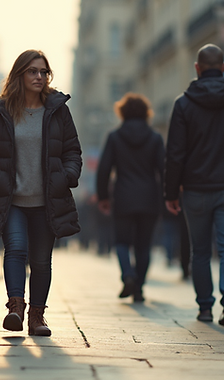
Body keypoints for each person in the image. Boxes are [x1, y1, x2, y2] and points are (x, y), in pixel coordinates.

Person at [0, 49, 82, 337]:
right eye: (33, 71)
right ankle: (15, 308)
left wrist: (67, 176)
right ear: (19, 74)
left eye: (43, 72)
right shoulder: (1, 109)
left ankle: (37, 316)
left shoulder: (57, 110)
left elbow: (72, 150)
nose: (39, 76)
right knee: (16, 249)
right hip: (12, 200)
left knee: (41, 260)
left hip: (48, 200)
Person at [164, 44, 224, 326]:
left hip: (195, 190)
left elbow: (175, 153)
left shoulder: (183, 104)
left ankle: (205, 307)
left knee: (201, 250)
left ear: (197, 68)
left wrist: (172, 191)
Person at [95, 92, 164, 303]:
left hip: (123, 196)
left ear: (122, 112)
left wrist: (103, 196)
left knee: (122, 242)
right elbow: (164, 169)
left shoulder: (115, 137)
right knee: (144, 245)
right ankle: (139, 288)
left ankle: (127, 275)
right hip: (149, 198)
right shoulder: (155, 138)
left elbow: (104, 169)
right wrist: (168, 195)